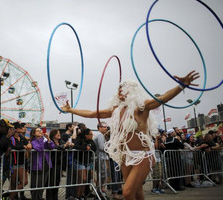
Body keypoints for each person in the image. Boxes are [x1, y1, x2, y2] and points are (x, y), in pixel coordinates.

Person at [62, 71, 199, 200]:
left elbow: (163, 98)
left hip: (143, 156)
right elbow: (92, 113)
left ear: (132, 90)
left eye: (124, 87)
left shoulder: (141, 107)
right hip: (125, 156)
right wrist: (71, 109)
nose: (120, 90)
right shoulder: (116, 109)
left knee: (127, 192)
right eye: (119, 88)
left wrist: (181, 86)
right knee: (137, 193)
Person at [30, 127, 55, 200]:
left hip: (46, 164)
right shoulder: (33, 141)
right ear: (34, 133)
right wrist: (41, 139)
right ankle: (35, 198)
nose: (40, 132)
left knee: (42, 184)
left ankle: (40, 197)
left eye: (41, 130)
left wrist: (48, 139)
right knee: (36, 184)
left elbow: (52, 146)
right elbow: (39, 148)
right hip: (37, 165)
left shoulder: (44, 140)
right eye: (38, 131)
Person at [8, 122, 32, 200]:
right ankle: (11, 196)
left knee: (24, 182)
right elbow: (13, 146)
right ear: (17, 129)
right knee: (13, 182)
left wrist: (28, 145)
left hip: (21, 162)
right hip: (13, 162)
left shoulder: (21, 137)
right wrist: (23, 146)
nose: (23, 129)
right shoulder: (11, 138)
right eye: (21, 127)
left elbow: (27, 143)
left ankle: (9, 196)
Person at [46, 129, 71, 200]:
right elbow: (55, 147)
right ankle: (49, 197)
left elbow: (66, 146)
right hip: (52, 164)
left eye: (59, 133)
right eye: (57, 133)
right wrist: (63, 146)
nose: (59, 134)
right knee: (51, 182)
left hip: (59, 164)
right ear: (53, 135)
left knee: (57, 181)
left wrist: (68, 145)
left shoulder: (60, 141)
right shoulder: (50, 141)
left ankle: (55, 197)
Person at [73, 128, 96, 200]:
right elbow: (75, 146)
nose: (92, 135)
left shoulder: (91, 141)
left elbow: (94, 148)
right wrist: (85, 148)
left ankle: (82, 195)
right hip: (80, 162)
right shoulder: (80, 139)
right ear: (86, 135)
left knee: (85, 180)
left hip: (88, 162)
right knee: (82, 179)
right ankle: (77, 195)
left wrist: (89, 148)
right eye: (90, 134)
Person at [93, 122, 109, 197]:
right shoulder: (100, 136)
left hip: (100, 157)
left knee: (102, 174)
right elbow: (102, 147)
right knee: (102, 175)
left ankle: (100, 190)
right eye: (104, 127)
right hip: (100, 158)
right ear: (99, 128)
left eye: (106, 126)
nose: (106, 128)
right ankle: (101, 191)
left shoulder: (100, 135)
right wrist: (109, 148)